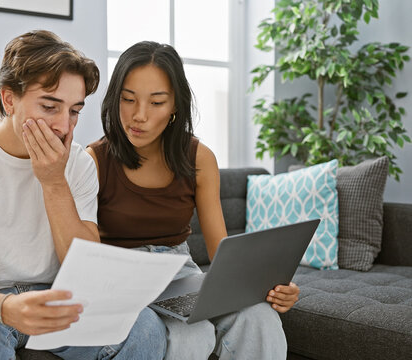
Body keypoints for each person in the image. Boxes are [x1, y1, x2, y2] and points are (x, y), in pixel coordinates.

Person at [0, 30, 167, 360]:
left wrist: (54, 183)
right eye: (49, 106)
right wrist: (7, 306)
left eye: (74, 111)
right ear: (9, 99)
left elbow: (85, 270)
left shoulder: (78, 164)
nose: (62, 125)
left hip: (54, 297)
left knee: (145, 328)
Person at [87, 41, 300, 360]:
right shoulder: (94, 160)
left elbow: (221, 251)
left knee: (260, 318)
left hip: (179, 273)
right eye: (128, 99)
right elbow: (84, 254)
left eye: (156, 102)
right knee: (192, 335)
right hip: (122, 277)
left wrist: (271, 288)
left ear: (175, 105)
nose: (139, 115)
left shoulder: (199, 158)